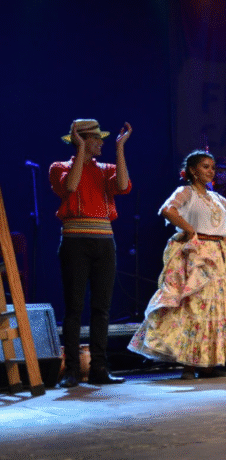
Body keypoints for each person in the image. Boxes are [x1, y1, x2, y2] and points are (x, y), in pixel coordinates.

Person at [129, 150, 226, 378]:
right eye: (205, 167)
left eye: (213, 167)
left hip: (217, 255)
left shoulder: (216, 197)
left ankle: (208, 364)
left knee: (215, 308)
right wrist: (190, 230)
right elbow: (167, 210)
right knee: (194, 306)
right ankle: (189, 365)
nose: (211, 171)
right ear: (193, 170)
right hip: (197, 254)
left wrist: (225, 240)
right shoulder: (186, 192)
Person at [49, 119, 132, 387]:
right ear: (81, 141)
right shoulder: (60, 167)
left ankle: (99, 368)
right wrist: (81, 151)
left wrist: (120, 148)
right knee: (74, 308)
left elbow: (123, 186)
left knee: (101, 308)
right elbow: (71, 186)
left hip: (104, 242)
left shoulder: (107, 169)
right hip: (75, 241)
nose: (101, 143)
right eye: (96, 139)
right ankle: (72, 370)